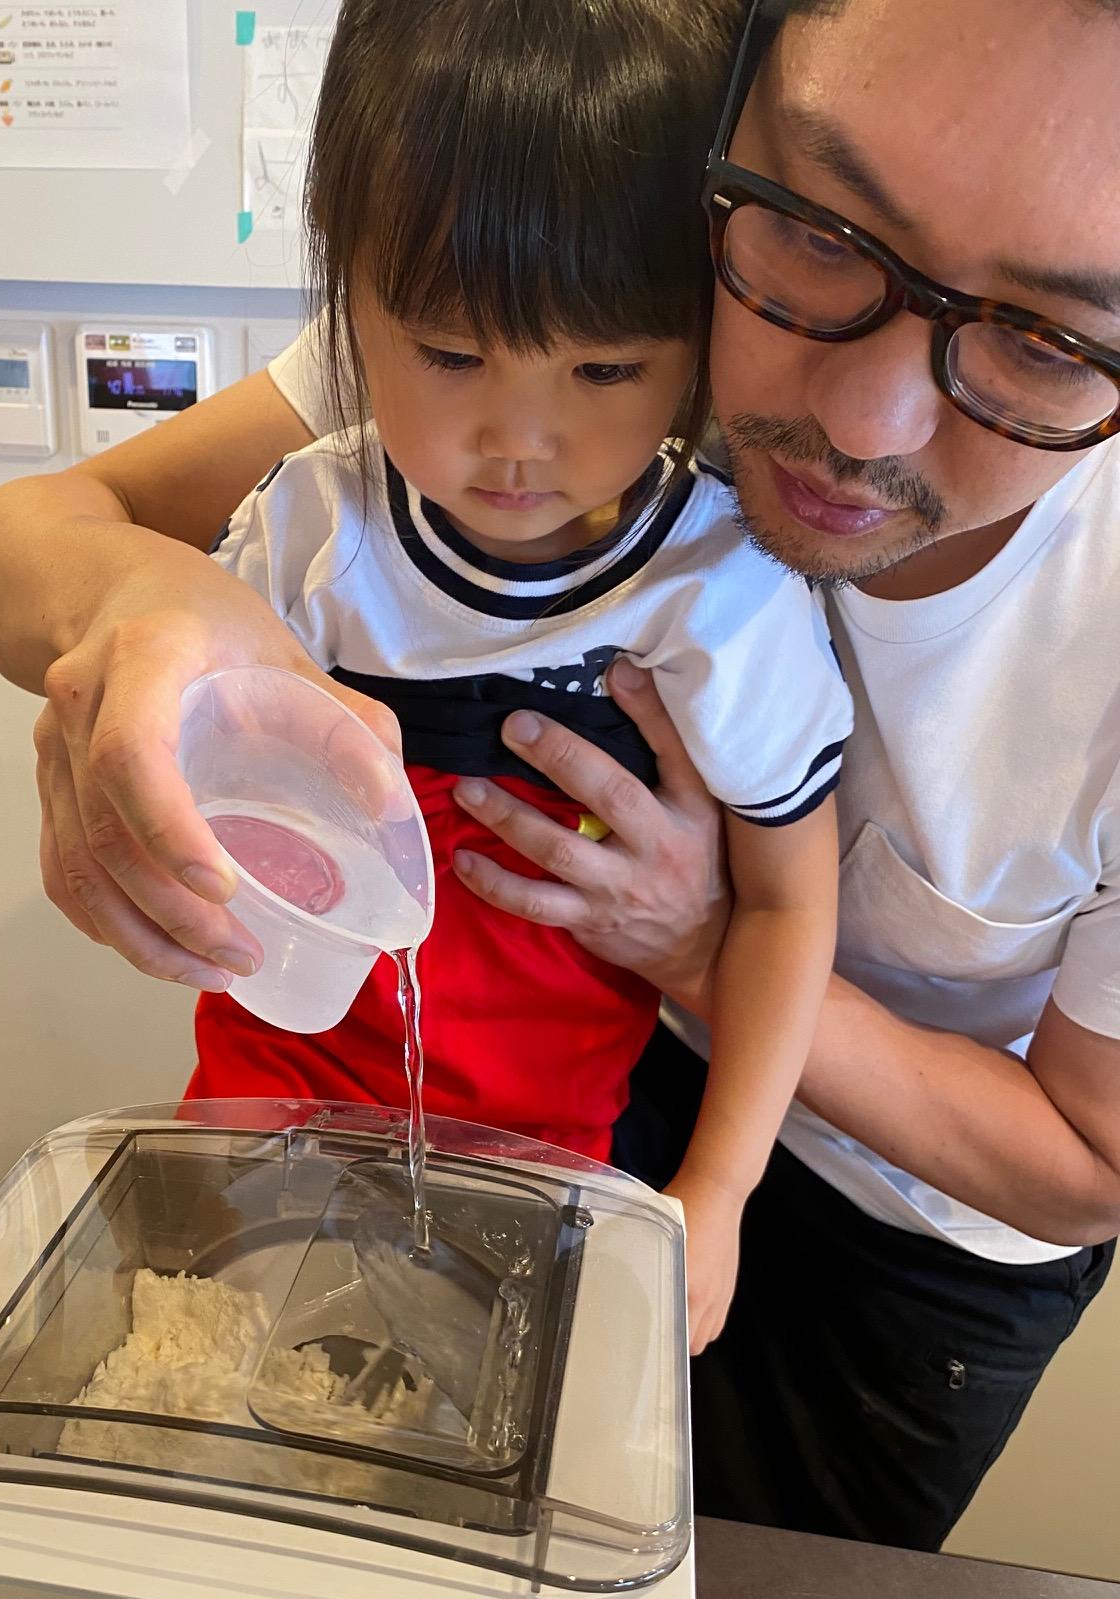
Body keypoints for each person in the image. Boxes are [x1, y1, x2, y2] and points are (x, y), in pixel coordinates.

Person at [0, 0, 1120, 1551]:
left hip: (911, 1236)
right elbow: (23, 546)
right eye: (827, 236)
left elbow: (1084, 1164)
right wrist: (142, 617)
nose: (862, 420)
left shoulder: (737, 571)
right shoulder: (530, 280)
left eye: (1046, 339)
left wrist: (701, 987)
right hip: (545, 1097)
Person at [187, 0, 845, 1351]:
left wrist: (717, 1190)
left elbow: (788, 904)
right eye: (449, 355)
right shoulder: (310, 528)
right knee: (225, 1375)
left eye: (606, 368)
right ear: (348, 300)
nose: (520, 439)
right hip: (276, 1085)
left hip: (545, 1148)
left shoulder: (715, 592)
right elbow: (194, 770)